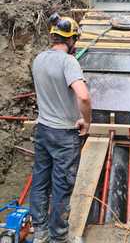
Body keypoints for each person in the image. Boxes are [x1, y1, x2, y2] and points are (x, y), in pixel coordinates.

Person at [30, 13, 92, 243]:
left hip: (43, 129)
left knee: (40, 181)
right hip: (65, 134)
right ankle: (58, 237)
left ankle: (40, 233)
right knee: (61, 186)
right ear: (71, 40)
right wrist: (86, 121)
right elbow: (83, 97)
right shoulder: (69, 62)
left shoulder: (38, 59)